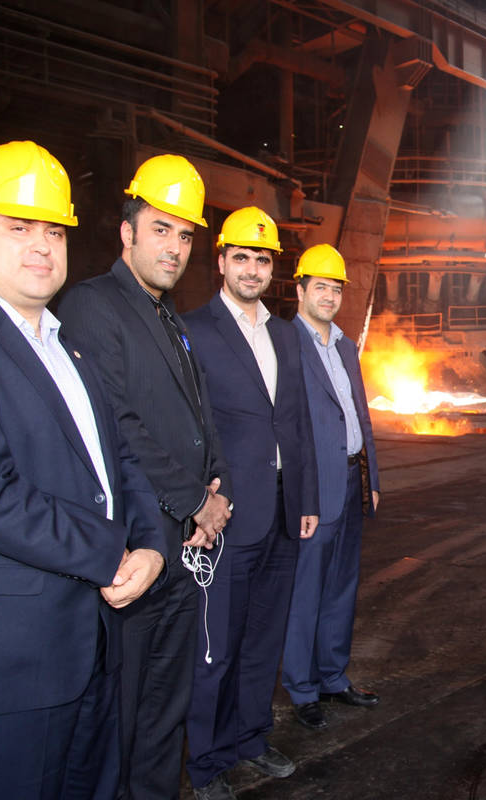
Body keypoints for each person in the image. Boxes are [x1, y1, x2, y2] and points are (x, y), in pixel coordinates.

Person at [0, 140, 165, 799]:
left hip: (93, 649)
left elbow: (120, 462)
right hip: (6, 665)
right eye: (18, 228)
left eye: (54, 231)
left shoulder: (70, 347)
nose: (42, 246)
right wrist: (113, 552)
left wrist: (155, 543)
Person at [56, 154, 233, 800]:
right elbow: (117, 423)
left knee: (165, 711)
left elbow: (200, 416)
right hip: (134, 550)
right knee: (122, 717)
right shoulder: (93, 306)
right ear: (126, 232)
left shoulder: (168, 317)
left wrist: (216, 488)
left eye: (185, 235)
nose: (175, 247)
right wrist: (192, 502)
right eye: (161, 229)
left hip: (183, 548)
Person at [181, 207, 320, 800]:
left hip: (283, 511)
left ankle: (251, 739)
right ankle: (207, 761)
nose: (252, 268)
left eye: (262, 259)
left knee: (264, 637)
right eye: (241, 256)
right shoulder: (193, 329)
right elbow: (189, 425)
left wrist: (306, 496)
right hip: (228, 514)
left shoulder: (286, 333)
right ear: (221, 262)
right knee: (217, 645)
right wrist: (199, 502)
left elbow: (297, 420)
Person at [282, 244, 382, 729]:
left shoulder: (344, 344)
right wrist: (300, 494)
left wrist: (371, 477)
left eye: (335, 288)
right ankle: (302, 689)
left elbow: (359, 413)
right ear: (300, 290)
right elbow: (286, 426)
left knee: (342, 587)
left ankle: (332, 677)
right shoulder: (285, 342)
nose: (328, 296)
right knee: (306, 591)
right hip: (313, 487)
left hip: (350, 478)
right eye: (319, 286)